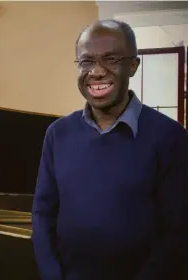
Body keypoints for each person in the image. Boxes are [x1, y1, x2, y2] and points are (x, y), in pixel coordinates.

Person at [31, 19, 188, 280]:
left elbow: (178, 230)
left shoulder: (169, 136)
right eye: (86, 61)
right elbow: (42, 213)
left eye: (111, 59)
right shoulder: (57, 134)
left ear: (133, 66)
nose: (97, 71)